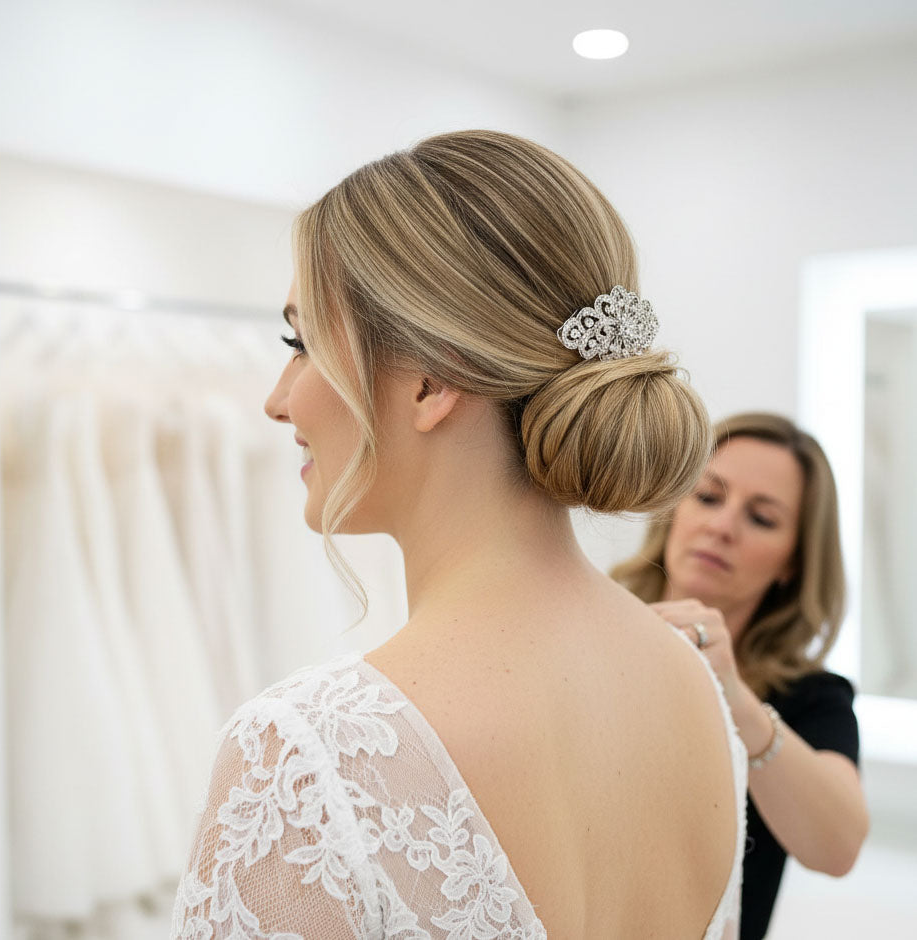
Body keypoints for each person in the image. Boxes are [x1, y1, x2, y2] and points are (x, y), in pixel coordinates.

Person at [171, 129, 747, 939]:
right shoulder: (695, 689)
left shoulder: (307, 755)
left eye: (302, 345)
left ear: (430, 380)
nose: (278, 399)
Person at [611, 412, 869, 939]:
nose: (722, 527)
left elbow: (838, 848)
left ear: (792, 563)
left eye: (762, 518)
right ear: (673, 509)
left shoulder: (811, 699)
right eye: (708, 496)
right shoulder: (589, 625)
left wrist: (735, 700)